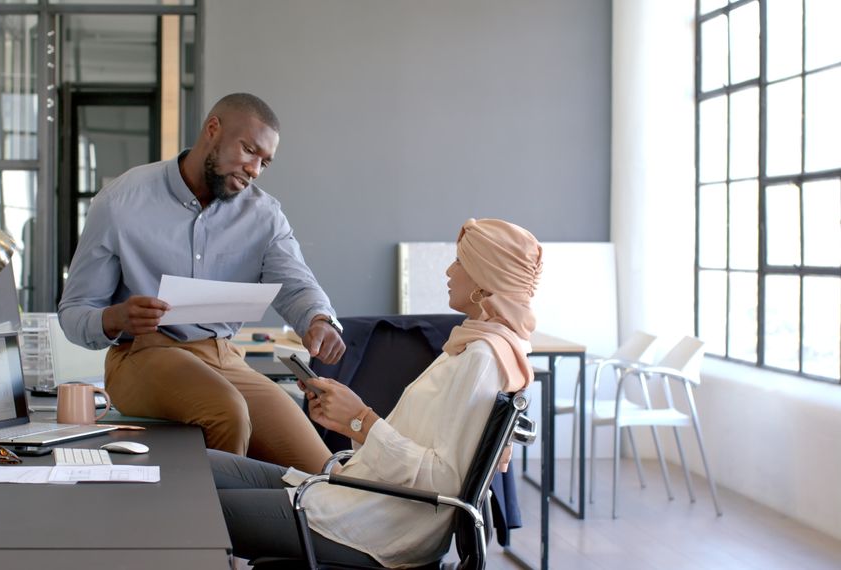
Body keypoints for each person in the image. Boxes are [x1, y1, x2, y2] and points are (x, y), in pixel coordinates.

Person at [210, 218, 543, 568]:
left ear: (482, 280)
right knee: (199, 471)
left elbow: (442, 482)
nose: (449, 270)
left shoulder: (483, 358)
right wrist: (351, 421)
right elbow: (421, 448)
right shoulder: (473, 346)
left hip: (375, 525)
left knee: (195, 507)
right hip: (360, 497)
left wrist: (361, 421)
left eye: (460, 262)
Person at [58, 93, 345, 474]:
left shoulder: (264, 215)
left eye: (265, 161)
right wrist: (116, 318)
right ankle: (215, 532)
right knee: (227, 411)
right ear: (213, 130)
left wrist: (319, 319)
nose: (255, 169)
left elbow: (296, 282)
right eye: (248, 150)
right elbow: (74, 313)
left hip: (224, 357)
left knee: (321, 473)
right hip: (142, 355)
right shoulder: (121, 201)